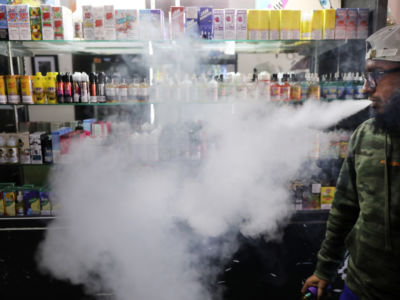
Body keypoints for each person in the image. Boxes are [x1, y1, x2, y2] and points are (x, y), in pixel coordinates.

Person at [301, 24, 400, 300]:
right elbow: (345, 209)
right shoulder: (366, 136)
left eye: (376, 75)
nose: (366, 88)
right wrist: (324, 269)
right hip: (360, 288)